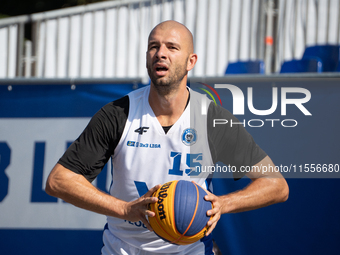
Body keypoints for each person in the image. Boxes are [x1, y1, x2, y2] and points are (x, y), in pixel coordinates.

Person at [45, 20, 289, 255]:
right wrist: (125, 208)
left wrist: (223, 204)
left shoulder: (212, 119)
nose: (160, 53)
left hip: (189, 249)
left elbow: (276, 185)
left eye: (172, 47)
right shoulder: (118, 114)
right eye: (154, 46)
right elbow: (58, 181)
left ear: (190, 61)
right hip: (123, 248)